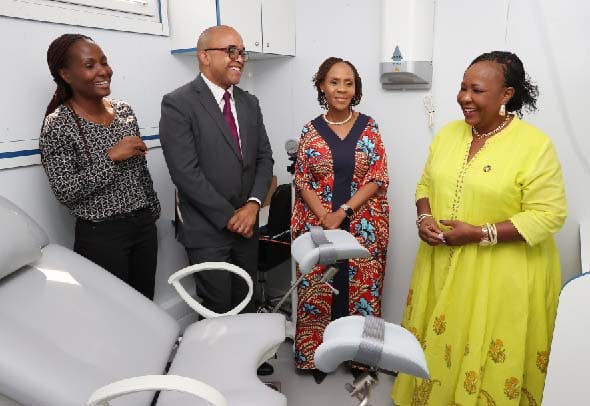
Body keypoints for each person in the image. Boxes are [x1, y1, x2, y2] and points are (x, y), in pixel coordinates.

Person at [392, 51, 567, 405]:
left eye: (477, 90)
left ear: (506, 95)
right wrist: (424, 218)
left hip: (500, 277)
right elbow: (425, 184)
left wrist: (479, 233)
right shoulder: (448, 135)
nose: (465, 98)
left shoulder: (534, 146)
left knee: (485, 350)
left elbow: (549, 213)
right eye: (462, 88)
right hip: (441, 266)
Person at [158, 25, 273, 316]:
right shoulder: (179, 104)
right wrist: (229, 216)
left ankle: (248, 362)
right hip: (206, 229)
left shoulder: (249, 103)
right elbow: (185, 173)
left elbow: (264, 158)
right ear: (204, 57)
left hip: (247, 227)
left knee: (246, 300)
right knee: (218, 308)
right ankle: (217, 363)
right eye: (230, 51)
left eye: (242, 52)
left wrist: (252, 206)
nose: (239, 58)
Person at [291, 57, 390, 383]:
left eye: (349, 83)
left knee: (366, 292)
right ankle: (314, 355)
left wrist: (343, 212)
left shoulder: (370, 126)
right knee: (318, 288)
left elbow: (377, 177)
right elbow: (303, 180)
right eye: (335, 82)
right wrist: (324, 216)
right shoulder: (310, 130)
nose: (342, 89)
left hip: (363, 224)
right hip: (317, 225)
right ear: (322, 85)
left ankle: (362, 359)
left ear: (356, 88)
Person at [40, 34, 161, 300]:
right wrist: (111, 158)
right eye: (90, 65)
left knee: (145, 307)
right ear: (66, 74)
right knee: (113, 313)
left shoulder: (124, 111)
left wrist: (151, 212)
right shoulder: (58, 124)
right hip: (101, 236)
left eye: (104, 62)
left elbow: (140, 171)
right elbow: (65, 191)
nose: (103, 71)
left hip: (142, 226)